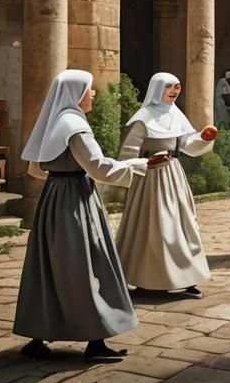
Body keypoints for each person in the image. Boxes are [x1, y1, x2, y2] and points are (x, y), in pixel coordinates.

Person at [13, 69, 147, 364]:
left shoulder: (54, 121)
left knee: (49, 265)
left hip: (53, 198)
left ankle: (37, 337)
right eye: (89, 89)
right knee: (86, 265)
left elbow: (36, 168)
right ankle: (95, 343)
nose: (94, 94)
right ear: (76, 93)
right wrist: (142, 164)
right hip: (75, 198)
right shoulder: (75, 126)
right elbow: (99, 168)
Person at [116, 73, 218, 298]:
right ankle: (148, 279)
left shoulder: (175, 114)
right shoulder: (143, 119)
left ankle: (185, 276)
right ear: (157, 89)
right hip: (150, 179)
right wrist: (146, 163)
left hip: (173, 175)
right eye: (169, 87)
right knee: (154, 227)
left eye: (177, 87)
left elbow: (187, 145)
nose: (174, 91)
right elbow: (127, 154)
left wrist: (204, 137)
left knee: (183, 225)